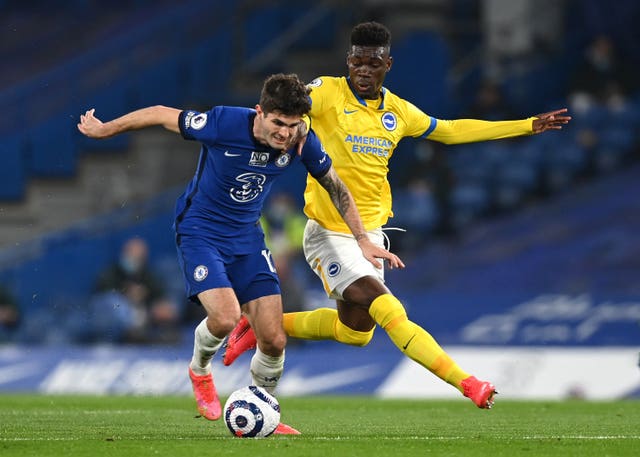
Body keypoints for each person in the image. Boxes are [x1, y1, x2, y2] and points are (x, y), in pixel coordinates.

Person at [223, 21, 571, 409]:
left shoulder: (398, 111)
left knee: (355, 333)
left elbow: (452, 131)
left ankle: (261, 326)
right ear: (348, 61)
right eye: (357, 62)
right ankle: (469, 384)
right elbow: (281, 106)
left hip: (371, 235)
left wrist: (526, 125)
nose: (363, 71)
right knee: (389, 308)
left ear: (388, 64)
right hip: (329, 233)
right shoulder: (325, 92)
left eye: (373, 63)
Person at [77, 73, 402, 434]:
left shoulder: (301, 140)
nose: (284, 133)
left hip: (247, 238)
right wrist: (105, 129)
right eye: (278, 123)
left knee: (275, 338)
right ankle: (200, 371)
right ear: (260, 112)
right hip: (201, 231)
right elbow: (158, 112)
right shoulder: (224, 122)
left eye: (292, 125)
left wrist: (362, 239)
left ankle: (262, 408)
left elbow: (336, 186)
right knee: (225, 318)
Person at [89, 236, 181, 344]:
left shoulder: (148, 275)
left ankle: (158, 336)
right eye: (132, 255)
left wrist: (157, 305)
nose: (135, 259)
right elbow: (103, 294)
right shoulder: (111, 272)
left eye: (139, 257)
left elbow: (159, 295)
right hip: (113, 320)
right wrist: (126, 293)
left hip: (144, 317)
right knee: (114, 302)